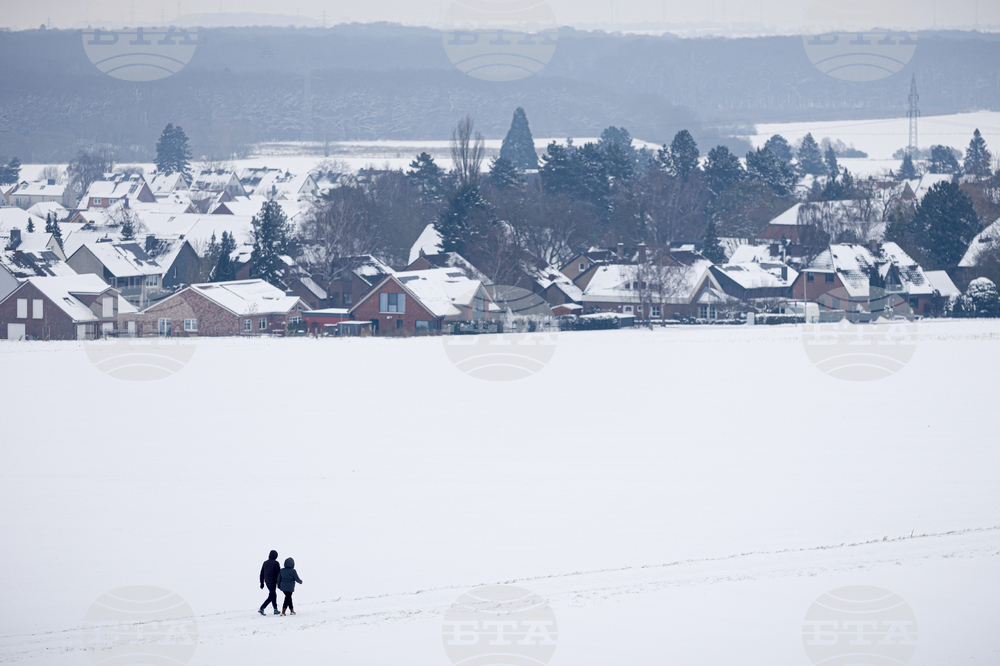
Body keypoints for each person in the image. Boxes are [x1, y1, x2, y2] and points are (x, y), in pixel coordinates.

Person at [258, 550, 281, 616]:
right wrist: (279, 583)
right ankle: (262, 608)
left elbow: (262, 573)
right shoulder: (276, 563)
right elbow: (278, 574)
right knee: (271, 596)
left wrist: (261, 582)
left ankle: (275, 609)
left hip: (267, 582)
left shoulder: (265, 563)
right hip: (273, 582)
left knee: (273, 595)